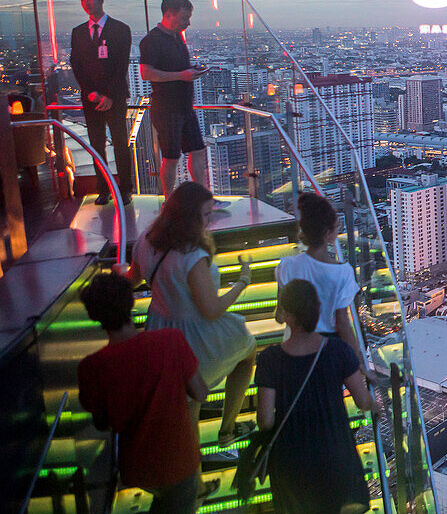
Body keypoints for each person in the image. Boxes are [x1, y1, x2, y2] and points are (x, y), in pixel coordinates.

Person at [128, 181, 256, 451]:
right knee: (248, 352)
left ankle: (194, 481)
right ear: (190, 218)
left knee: (188, 408)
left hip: (159, 331)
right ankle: (227, 428)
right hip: (196, 337)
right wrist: (243, 282)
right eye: (207, 215)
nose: (210, 221)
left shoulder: (145, 240)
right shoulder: (192, 256)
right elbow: (211, 311)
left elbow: (132, 278)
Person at [77, 271, 214, 513]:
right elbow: (200, 393)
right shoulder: (170, 340)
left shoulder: (92, 367)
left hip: (137, 469)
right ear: (130, 302)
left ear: (94, 316)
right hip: (179, 463)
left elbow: (102, 423)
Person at [256, 279, 374, 514]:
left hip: (291, 461)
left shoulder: (269, 359)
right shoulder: (338, 351)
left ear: (286, 315)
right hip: (335, 455)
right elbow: (363, 402)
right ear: (319, 310)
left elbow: (265, 421)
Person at [139, 0, 209, 197]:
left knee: (197, 150)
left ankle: (201, 197)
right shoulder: (152, 40)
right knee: (171, 157)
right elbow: (146, 73)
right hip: (167, 108)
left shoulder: (177, 37)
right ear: (169, 14)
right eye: (184, 18)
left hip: (185, 106)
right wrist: (181, 75)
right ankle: (169, 200)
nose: (187, 23)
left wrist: (190, 70)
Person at [70, 0, 134, 205]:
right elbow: (76, 66)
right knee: (96, 145)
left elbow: (121, 67)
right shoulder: (78, 33)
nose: (86, 3)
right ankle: (103, 189)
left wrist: (109, 96)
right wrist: (91, 94)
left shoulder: (120, 29)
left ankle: (125, 189)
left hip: (115, 98)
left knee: (120, 144)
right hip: (91, 99)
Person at [275, 193, 360, 353]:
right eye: (337, 227)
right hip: (328, 349)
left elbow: (280, 316)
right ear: (328, 233)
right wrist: (358, 361)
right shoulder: (343, 272)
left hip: (294, 346)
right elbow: (342, 323)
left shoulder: (286, 266)